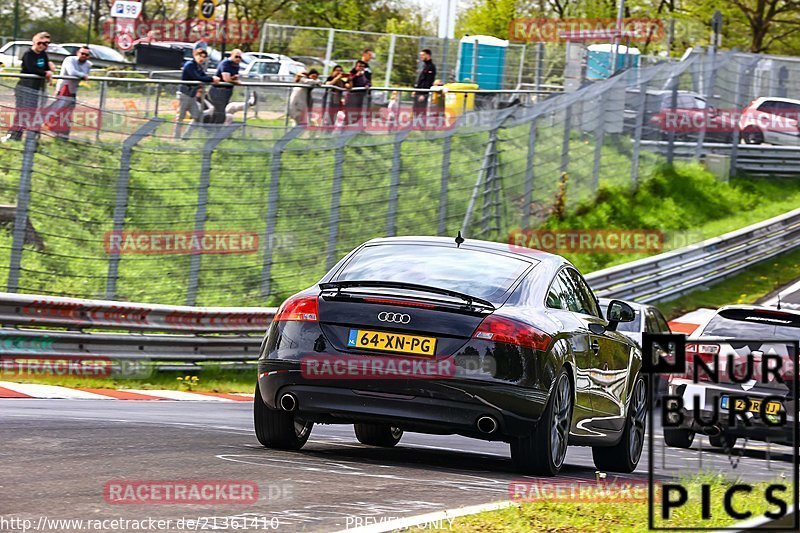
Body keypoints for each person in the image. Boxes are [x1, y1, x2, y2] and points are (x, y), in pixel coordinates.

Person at [2, 33, 53, 142]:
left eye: (46, 43)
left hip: (36, 89)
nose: (43, 46)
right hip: (25, 88)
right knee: (22, 112)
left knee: (32, 113)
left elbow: (47, 68)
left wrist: (48, 70)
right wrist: (46, 73)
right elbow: (31, 69)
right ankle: (13, 135)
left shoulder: (43, 54)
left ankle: (28, 137)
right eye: (40, 43)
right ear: (34, 42)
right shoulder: (28, 54)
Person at [45, 45, 92, 139]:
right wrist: (83, 75)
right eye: (82, 53)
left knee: (67, 113)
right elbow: (71, 72)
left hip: (73, 90)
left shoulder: (88, 64)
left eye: (86, 54)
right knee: (56, 111)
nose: (84, 56)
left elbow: (85, 75)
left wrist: (83, 76)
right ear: (78, 53)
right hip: (63, 89)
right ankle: (49, 126)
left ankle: (63, 134)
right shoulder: (69, 60)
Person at [174, 48, 219, 139]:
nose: (201, 58)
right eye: (200, 56)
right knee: (180, 117)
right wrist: (212, 79)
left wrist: (213, 78)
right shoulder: (190, 65)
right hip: (184, 94)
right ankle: (176, 139)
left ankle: (186, 137)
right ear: (195, 55)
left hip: (192, 96)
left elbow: (203, 76)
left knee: (197, 117)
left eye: (204, 57)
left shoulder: (198, 66)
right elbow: (197, 77)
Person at [208, 48, 242, 124]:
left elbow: (231, 77)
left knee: (218, 112)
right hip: (217, 91)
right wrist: (236, 82)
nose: (238, 59)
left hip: (226, 92)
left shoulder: (236, 65)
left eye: (240, 57)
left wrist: (233, 78)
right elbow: (226, 79)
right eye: (236, 56)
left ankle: (210, 130)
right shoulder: (226, 63)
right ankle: (215, 130)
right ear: (231, 55)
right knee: (220, 113)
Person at [413, 48, 436, 118]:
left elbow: (428, 82)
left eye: (423, 55)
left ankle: (421, 126)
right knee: (416, 110)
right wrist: (416, 90)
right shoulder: (425, 66)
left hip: (422, 93)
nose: (421, 57)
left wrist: (423, 94)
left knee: (421, 111)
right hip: (418, 92)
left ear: (428, 55)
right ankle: (415, 126)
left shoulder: (431, 67)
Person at [346, 60, 370, 125]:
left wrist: (367, 85)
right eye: (359, 66)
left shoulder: (364, 75)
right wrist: (356, 75)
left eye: (363, 67)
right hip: (352, 98)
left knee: (357, 115)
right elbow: (349, 82)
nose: (361, 68)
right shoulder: (352, 74)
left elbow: (367, 82)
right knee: (349, 115)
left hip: (360, 98)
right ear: (356, 66)